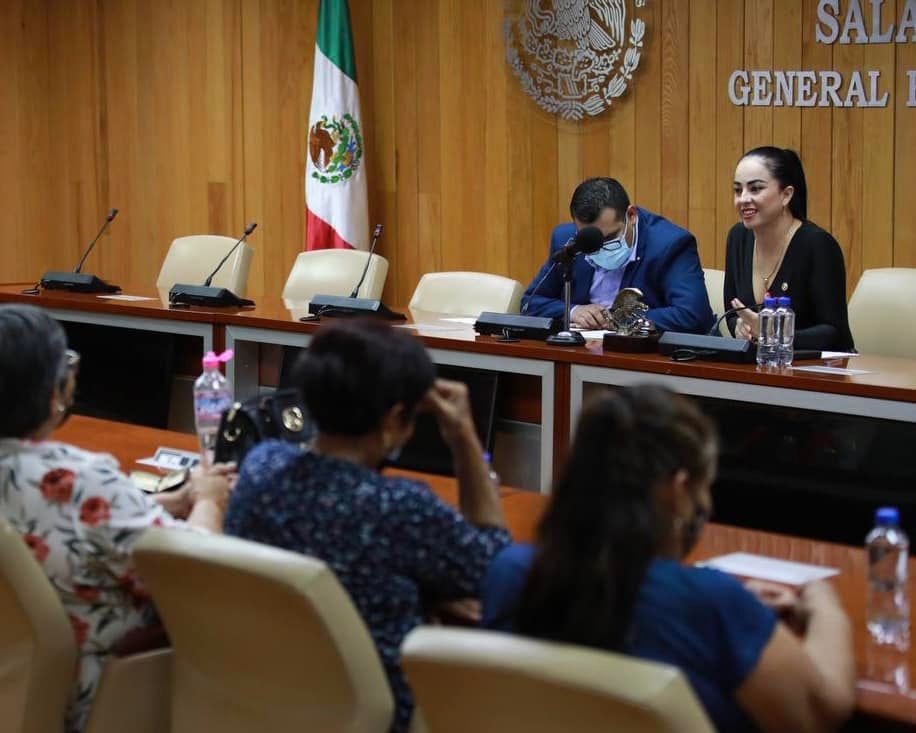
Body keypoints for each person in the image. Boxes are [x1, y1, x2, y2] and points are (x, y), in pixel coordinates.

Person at [481, 385, 855, 732]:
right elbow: (819, 711)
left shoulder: (509, 572)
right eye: (703, 487)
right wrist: (824, 604)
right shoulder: (710, 604)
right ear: (678, 492)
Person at [224, 319, 511, 733]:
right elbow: (496, 569)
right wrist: (464, 436)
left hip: (261, 699)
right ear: (394, 419)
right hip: (377, 716)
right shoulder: (400, 509)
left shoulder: (260, 467)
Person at [0, 304, 235, 733]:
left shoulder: (64, 487)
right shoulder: (79, 479)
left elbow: (71, 525)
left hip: (15, 680)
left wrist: (171, 501)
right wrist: (209, 499)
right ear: (53, 392)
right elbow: (198, 571)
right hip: (97, 687)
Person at [522, 177, 713, 333]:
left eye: (611, 236)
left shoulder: (670, 244)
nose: (603, 247)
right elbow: (529, 304)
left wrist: (620, 319)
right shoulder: (569, 242)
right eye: (593, 240)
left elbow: (693, 315)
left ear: (631, 216)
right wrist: (573, 311)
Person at [726, 147, 855, 351]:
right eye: (737, 190)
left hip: (817, 372)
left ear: (786, 195)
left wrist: (773, 333)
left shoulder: (818, 245)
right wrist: (741, 327)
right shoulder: (738, 238)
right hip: (759, 367)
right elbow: (732, 313)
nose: (743, 199)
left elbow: (833, 332)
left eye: (755, 189)